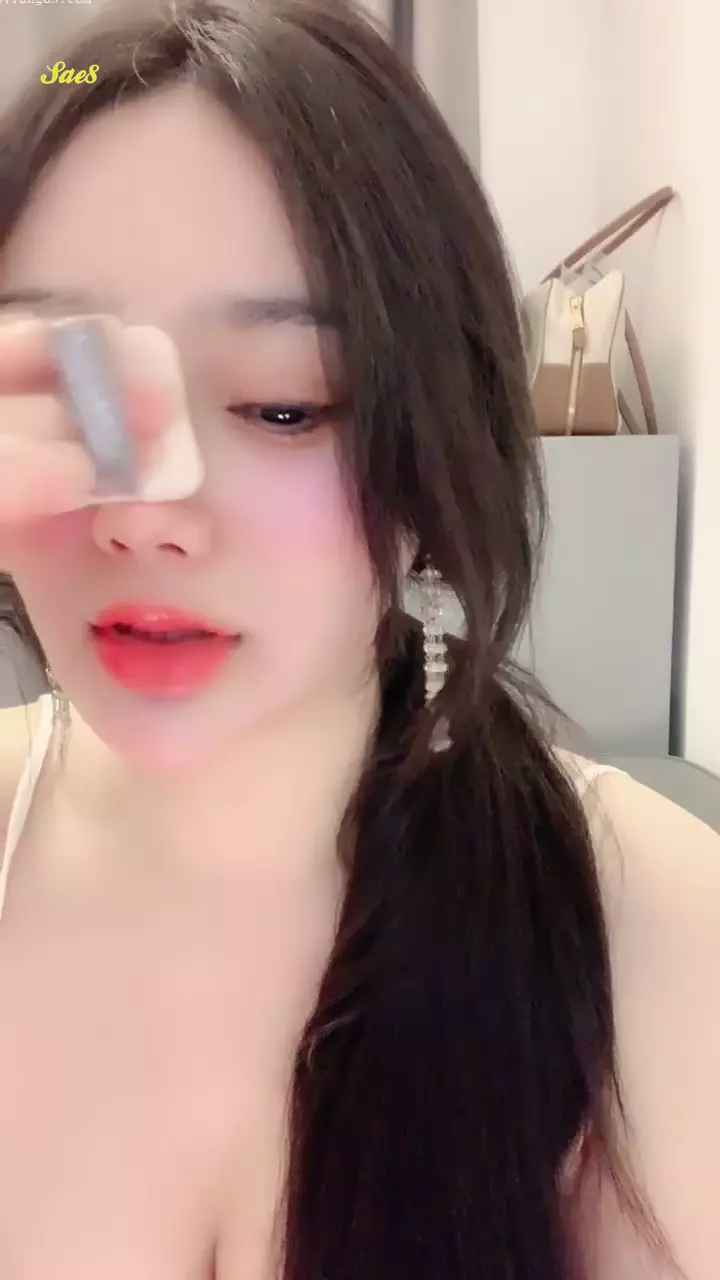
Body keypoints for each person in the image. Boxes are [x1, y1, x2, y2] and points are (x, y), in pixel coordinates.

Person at [0, 0, 715, 1276]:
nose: (144, 510)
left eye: (284, 405)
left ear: (439, 452)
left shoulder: (652, 930)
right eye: (76, 389)